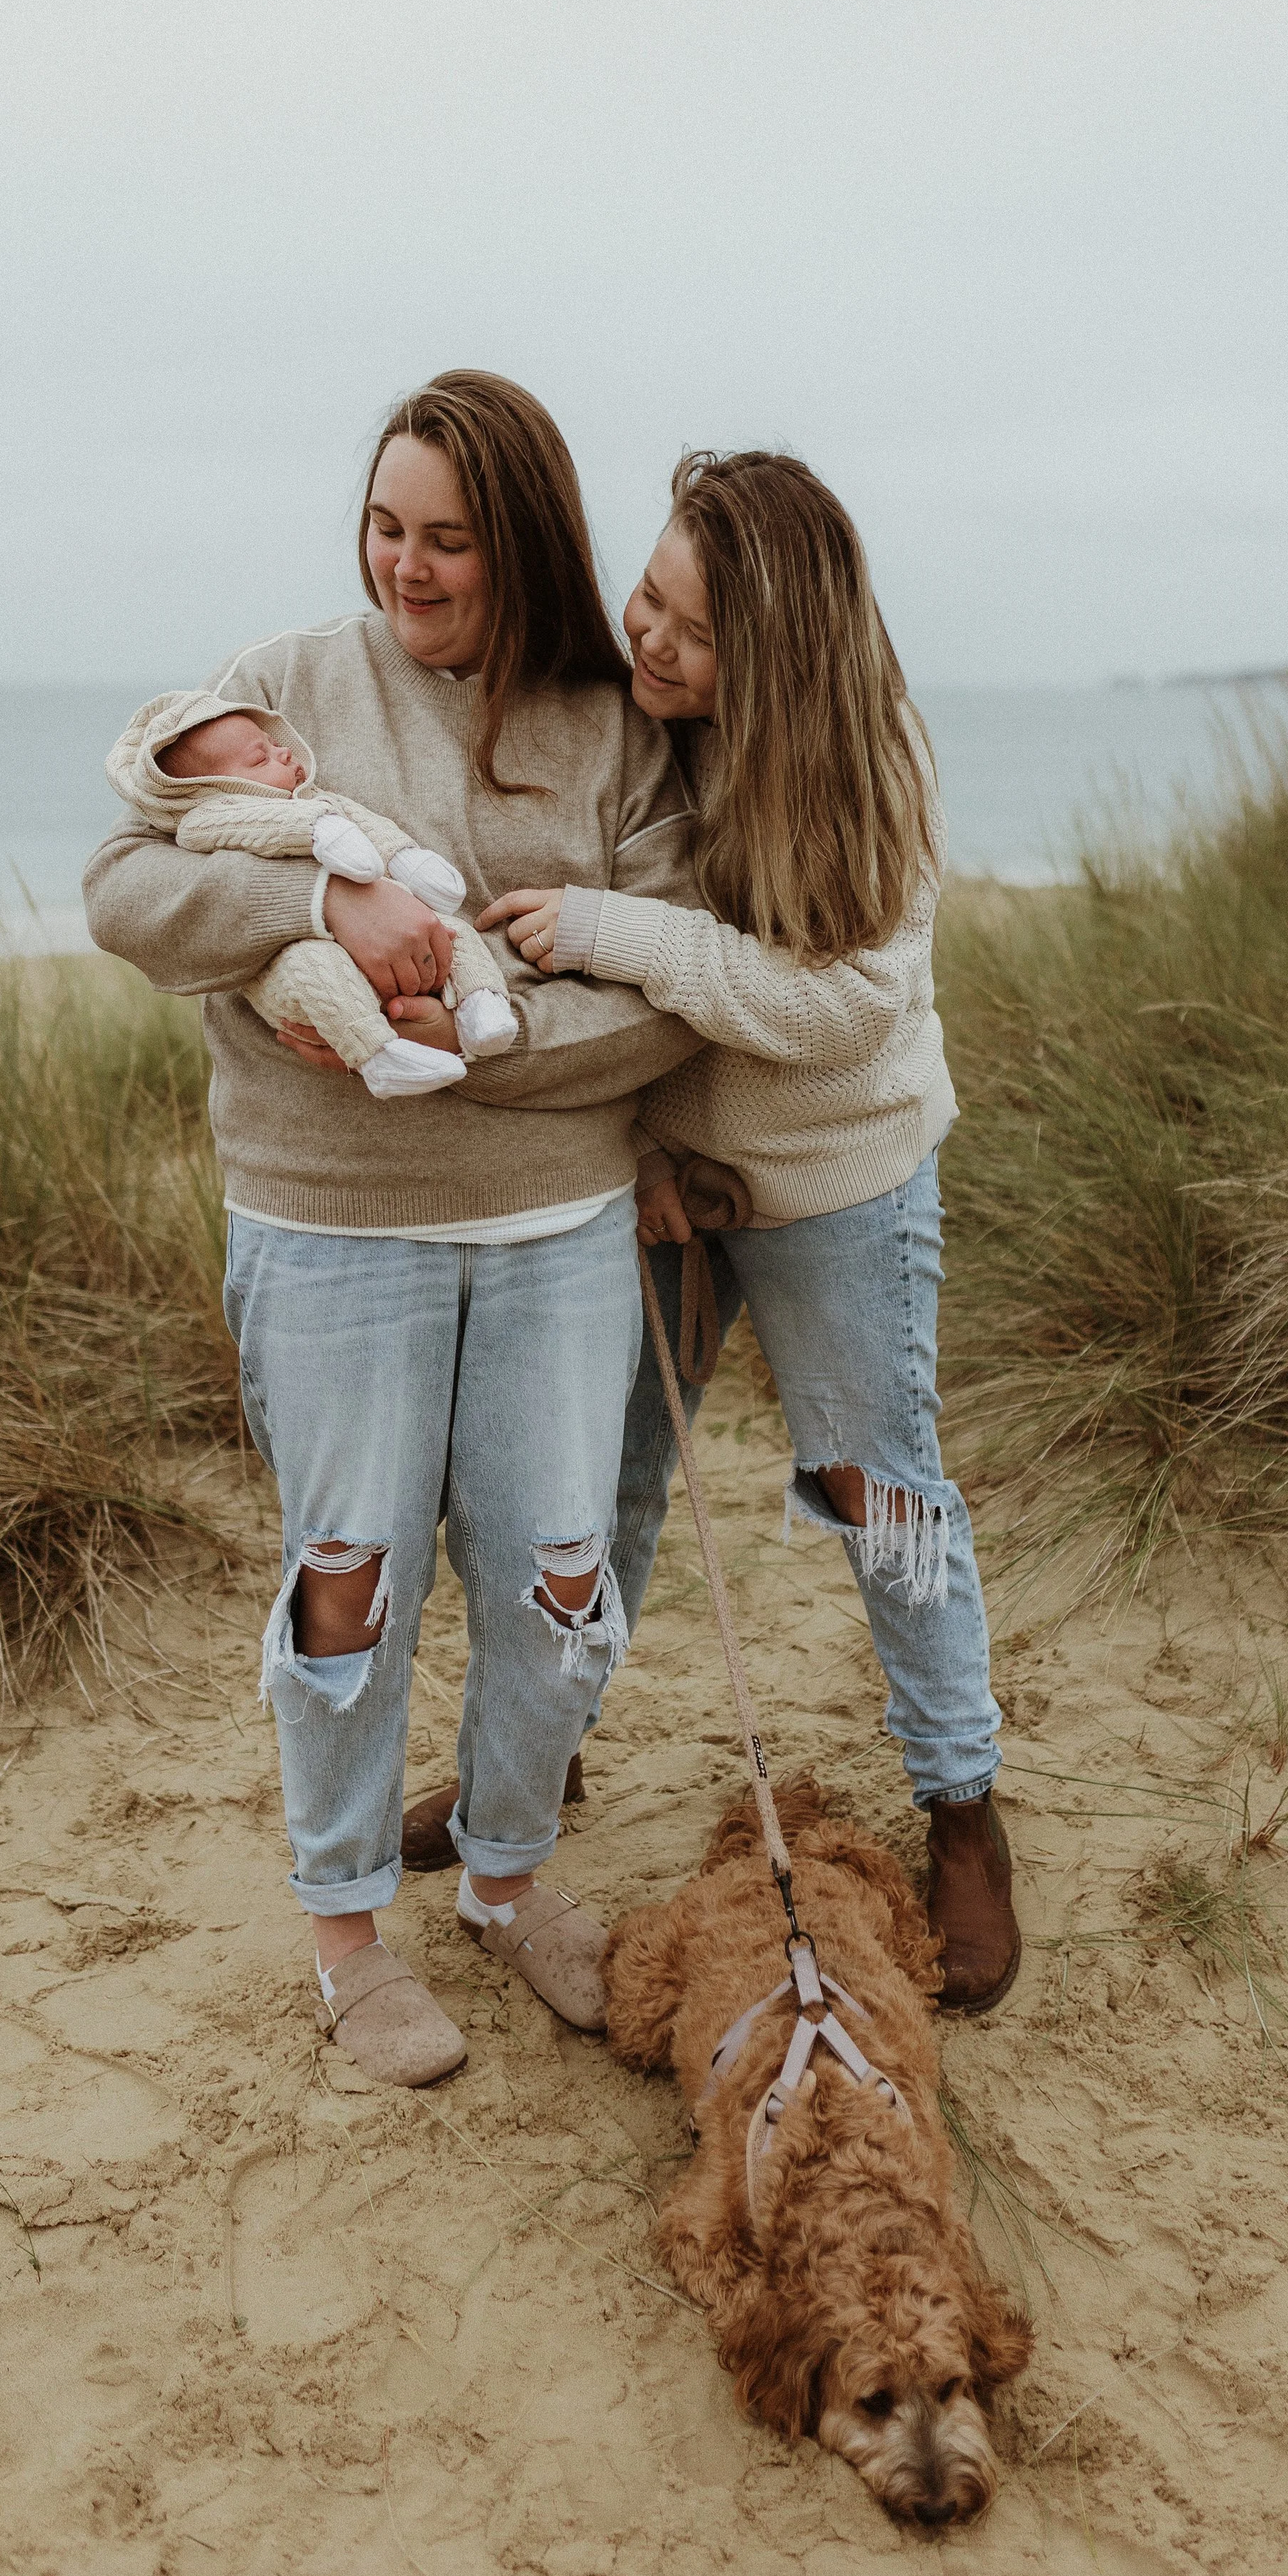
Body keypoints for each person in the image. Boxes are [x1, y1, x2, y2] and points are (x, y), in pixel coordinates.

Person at [82, 371, 703, 2085]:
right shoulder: (281, 682)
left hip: (558, 1230)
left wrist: (434, 1058)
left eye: (448, 540)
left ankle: (507, 1884)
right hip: (327, 1222)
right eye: (384, 526)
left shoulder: (608, 726)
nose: (406, 569)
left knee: (557, 1581)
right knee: (345, 1576)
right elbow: (127, 892)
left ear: (522, 547)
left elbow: (662, 1005)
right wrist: (319, 905)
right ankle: (350, 1931)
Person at [412, 448, 1021, 2011]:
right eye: (650, 595)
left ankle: (962, 1812)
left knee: (879, 1498)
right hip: (664, 1187)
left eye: (687, 628)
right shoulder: (634, 723)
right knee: (586, 1498)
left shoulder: (870, 763)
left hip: (840, 1185)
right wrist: (637, 1145)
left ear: (779, 653)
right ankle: (528, 1780)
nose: (646, 637)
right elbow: (596, 1001)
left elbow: (836, 1008)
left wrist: (619, 929)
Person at [104, 692, 518, 1099]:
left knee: (452, 929)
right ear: (218, 785)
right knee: (315, 970)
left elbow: (371, 827)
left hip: (411, 940)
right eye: (259, 759)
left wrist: (407, 861)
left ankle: (481, 1006)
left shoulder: (320, 800)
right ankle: (379, 1054)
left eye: (275, 745)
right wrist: (325, 887)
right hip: (300, 948)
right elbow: (120, 892)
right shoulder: (209, 817)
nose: (284, 754)